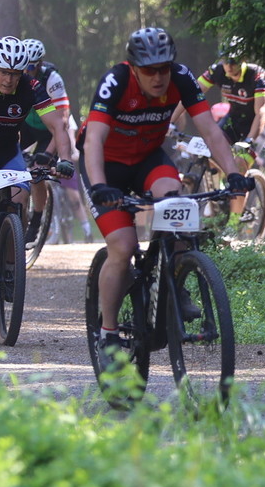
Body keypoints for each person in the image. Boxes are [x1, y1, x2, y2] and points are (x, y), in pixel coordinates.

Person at [84, 27, 246, 354]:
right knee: (123, 247)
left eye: (164, 68)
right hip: (106, 165)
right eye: (149, 70)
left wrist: (233, 173)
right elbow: (93, 140)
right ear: (134, 68)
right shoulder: (116, 81)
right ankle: (108, 332)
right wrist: (100, 185)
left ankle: (177, 280)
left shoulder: (181, 78)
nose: (158, 77)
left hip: (147, 160)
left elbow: (211, 132)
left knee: (177, 204)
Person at [0, 35, 76, 284]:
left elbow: (57, 124)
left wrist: (64, 159)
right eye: (4, 72)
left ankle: (11, 266)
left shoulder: (31, 87)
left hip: (8, 150)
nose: (9, 80)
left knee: (20, 197)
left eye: (15, 74)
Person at [199, 38, 265, 150]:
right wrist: (173, 120)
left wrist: (249, 141)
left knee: (242, 157)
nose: (229, 66)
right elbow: (191, 93)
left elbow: (261, 113)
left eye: (233, 61)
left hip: (258, 120)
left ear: (243, 59)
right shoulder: (217, 71)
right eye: (225, 61)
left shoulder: (257, 75)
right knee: (212, 149)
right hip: (235, 116)